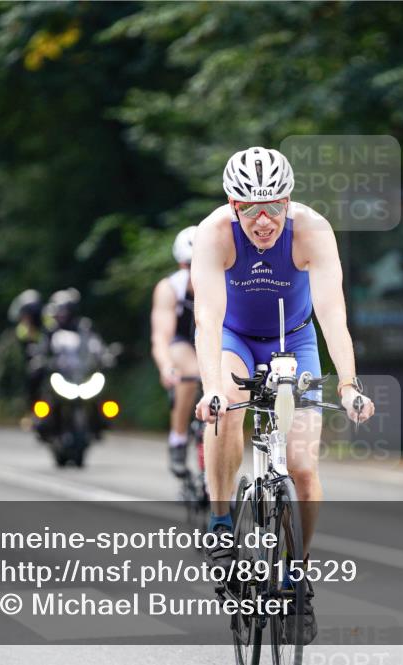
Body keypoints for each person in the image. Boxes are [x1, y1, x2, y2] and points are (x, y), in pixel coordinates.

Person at [191, 146, 375, 641]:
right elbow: (207, 319)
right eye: (249, 208)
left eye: (273, 205)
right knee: (227, 410)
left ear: (289, 200)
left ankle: (297, 579)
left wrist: (350, 383)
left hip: (294, 337)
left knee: (304, 467)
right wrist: (211, 387)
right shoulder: (213, 235)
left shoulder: (312, 230)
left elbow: (332, 314)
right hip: (234, 338)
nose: (263, 219)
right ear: (232, 205)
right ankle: (222, 523)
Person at [150, 226, 200, 478]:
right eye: (190, 265)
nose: (196, 271)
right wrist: (166, 365)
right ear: (182, 265)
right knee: (190, 372)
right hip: (184, 342)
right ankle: (178, 438)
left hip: (218, 340)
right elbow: (161, 337)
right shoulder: (169, 288)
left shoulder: (227, 282)